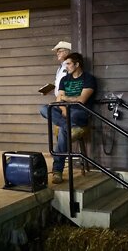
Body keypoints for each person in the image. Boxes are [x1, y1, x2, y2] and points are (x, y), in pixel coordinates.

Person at [42, 52, 96, 184]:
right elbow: (58, 99)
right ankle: (70, 127)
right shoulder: (64, 79)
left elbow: (81, 101)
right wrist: (64, 108)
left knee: (65, 126)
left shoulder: (88, 79)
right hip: (66, 112)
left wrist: (65, 99)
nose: (66, 67)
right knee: (44, 109)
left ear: (77, 64)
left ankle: (57, 171)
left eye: (68, 64)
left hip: (80, 113)